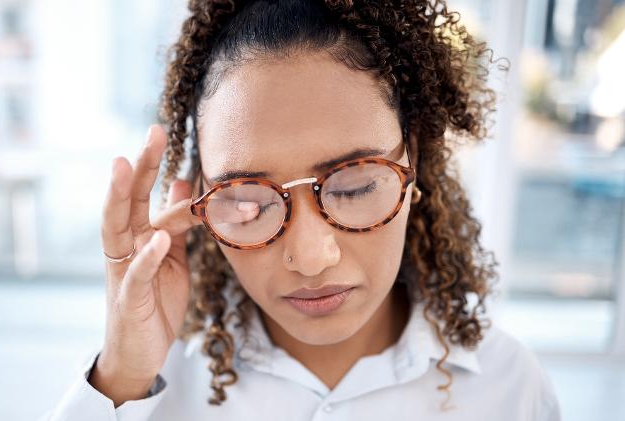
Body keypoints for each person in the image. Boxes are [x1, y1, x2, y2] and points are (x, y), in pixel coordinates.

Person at [42, 0, 561, 419]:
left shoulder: (510, 390)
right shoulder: (147, 390)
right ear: (198, 199)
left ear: (415, 160)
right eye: (249, 199)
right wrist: (120, 379)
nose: (310, 259)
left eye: (355, 187)